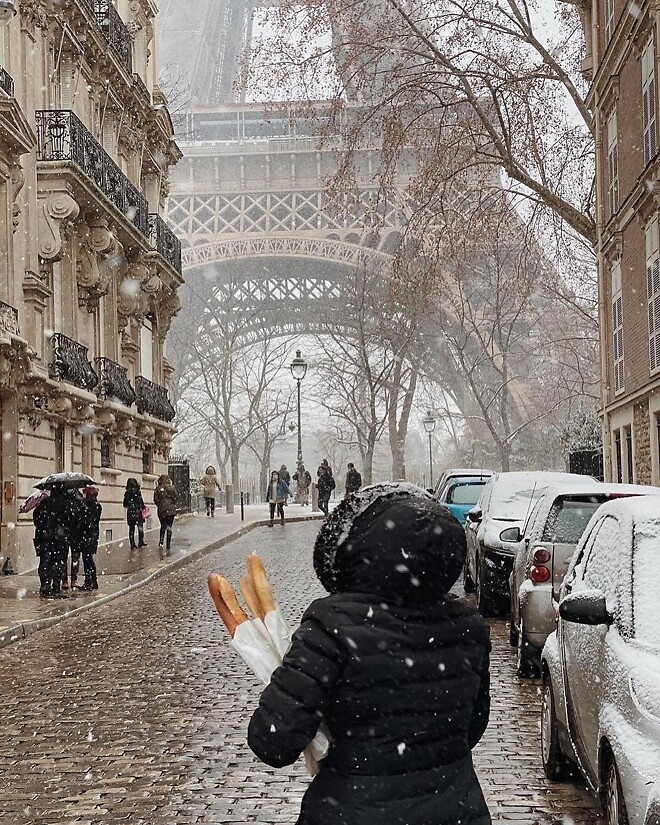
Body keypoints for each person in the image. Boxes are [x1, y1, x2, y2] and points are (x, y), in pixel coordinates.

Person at [248, 483, 492, 825]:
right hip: (457, 811)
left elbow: (272, 741)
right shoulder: (469, 627)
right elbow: (471, 729)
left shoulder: (330, 625)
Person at [32, 484, 74, 599]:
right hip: (59, 540)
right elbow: (71, 521)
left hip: (45, 539)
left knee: (45, 562)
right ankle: (55, 587)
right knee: (58, 563)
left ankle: (45, 585)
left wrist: (44, 528)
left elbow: (36, 519)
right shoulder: (66, 504)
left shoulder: (43, 504)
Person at [72, 487, 101, 591]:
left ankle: (90, 581)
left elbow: (87, 521)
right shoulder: (92, 506)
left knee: (88, 559)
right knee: (88, 559)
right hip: (89, 536)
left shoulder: (93, 506)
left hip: (88, 536)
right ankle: (91, 580)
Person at [154, 475, 177, 553]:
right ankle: (168, 544)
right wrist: (171, 504)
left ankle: (161, 542)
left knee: (163, 526)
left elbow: (155, 500)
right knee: (169, 526)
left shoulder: (158, 489)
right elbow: (175, 498)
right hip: (171, 510)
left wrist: (161, 505)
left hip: (162, 510)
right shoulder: (172, 488)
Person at [123, 477, 148, 550]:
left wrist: (130, 506)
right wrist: (142, 507)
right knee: (140, 527)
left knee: (131, 529)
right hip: (137, 512)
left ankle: (132, 544)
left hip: (130, 512)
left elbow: (124, 504)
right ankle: (140, 542)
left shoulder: (127, 493)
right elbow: (141, 503)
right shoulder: (138, 492)